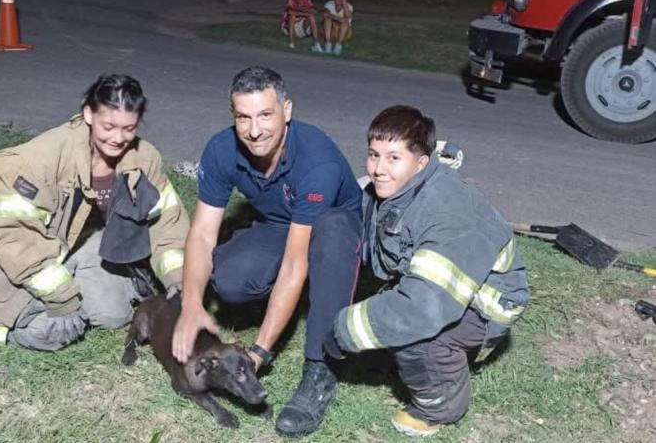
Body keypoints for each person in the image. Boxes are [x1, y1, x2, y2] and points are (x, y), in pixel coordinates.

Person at [172, 66, 362, 438]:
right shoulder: (221, 150)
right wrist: (191, 304)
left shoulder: (315, 161)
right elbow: (202, 235)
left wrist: (259, 351)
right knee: (229, 280)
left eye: (265, 115)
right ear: (233, 115)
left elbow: (295, 263)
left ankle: (320, 369)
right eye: (243, 117)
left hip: (337, 231)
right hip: (281, 223)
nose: (254, 130)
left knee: (328, 239)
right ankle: (294, 298)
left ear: (286, 110)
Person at [324, 106, 529, 437]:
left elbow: (423, 308)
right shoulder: (393, 187)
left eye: (393, 158)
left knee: (416, 334)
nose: (378, 169)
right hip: (433, 285)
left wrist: (343, 330)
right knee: (394, 317)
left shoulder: (448, 211)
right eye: (373, 155)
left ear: (421, 163)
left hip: (485, 302)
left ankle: (440, 406)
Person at [0, 74, 190, 351]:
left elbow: (167, 224)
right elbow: (17, 242)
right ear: (88, 112)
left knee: (113, 315)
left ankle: (78, 286)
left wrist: (179, 282)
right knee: (56, 331)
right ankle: (15, 322)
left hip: (76, 246)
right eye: (108, 126)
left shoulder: (144, 158)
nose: (118, 138)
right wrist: (63, 298)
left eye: (129, 128)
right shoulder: (32, 163)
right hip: (9, 263)